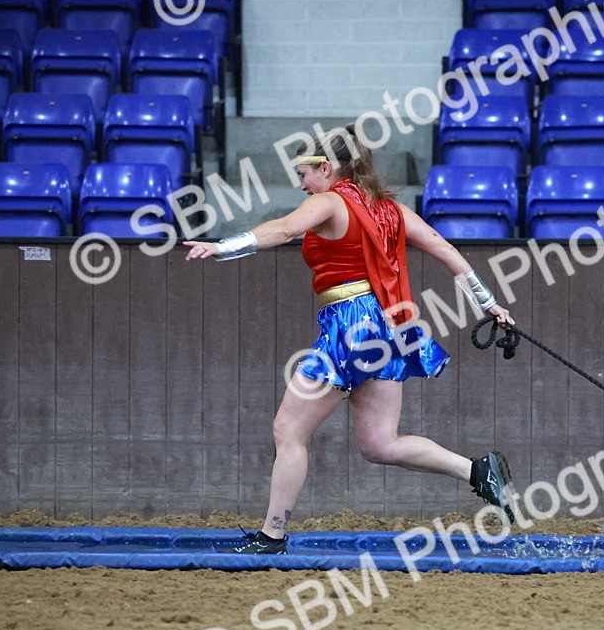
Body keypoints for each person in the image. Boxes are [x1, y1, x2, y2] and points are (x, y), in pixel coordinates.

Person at [184, 125, 517, 554]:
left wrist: (223, 246)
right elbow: (445, 249)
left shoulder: (329, 201)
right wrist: (489, 303)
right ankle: (477, 471)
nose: (301, 184)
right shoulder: (391, 210)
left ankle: (272, 535)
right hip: (389, 323)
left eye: (304, 173)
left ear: (326, 168)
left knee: (288, 430)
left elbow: (283, 230)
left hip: (352, 324)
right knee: (380, 443)